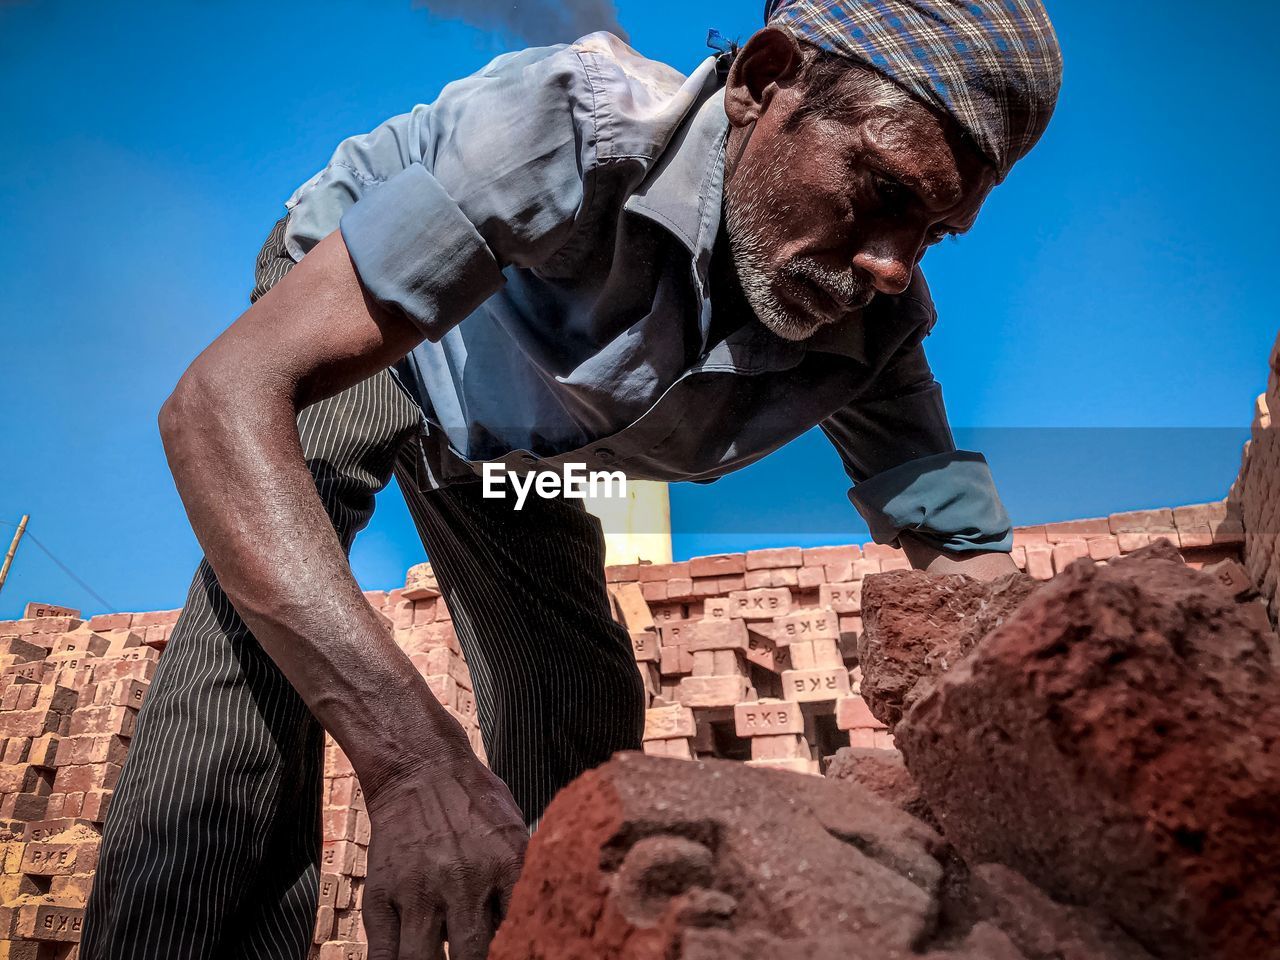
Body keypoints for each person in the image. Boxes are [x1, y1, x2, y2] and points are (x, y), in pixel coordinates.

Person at [81, 1, 1063, 957]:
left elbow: (965, 571)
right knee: (264, 651)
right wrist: (417, 768)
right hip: (368, 331)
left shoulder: (868, 330)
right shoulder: (567, 133)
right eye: (882, 191)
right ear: (765, 82)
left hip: (524, 439)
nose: (891, 265)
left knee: (576, 710)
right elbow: (221, 398)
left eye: (932, 231)